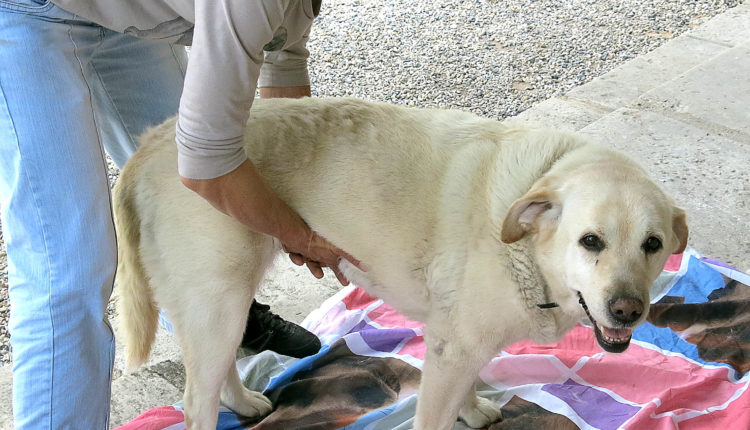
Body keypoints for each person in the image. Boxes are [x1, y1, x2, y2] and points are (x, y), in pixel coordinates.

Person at [0, 0, 361, 428]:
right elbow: (207, 166)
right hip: (23, 11)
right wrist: (299, 235)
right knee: (70, 266)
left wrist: (297, 206)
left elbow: (282, 66)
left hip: (129, 20)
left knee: (210, 226)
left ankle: (221, 361)